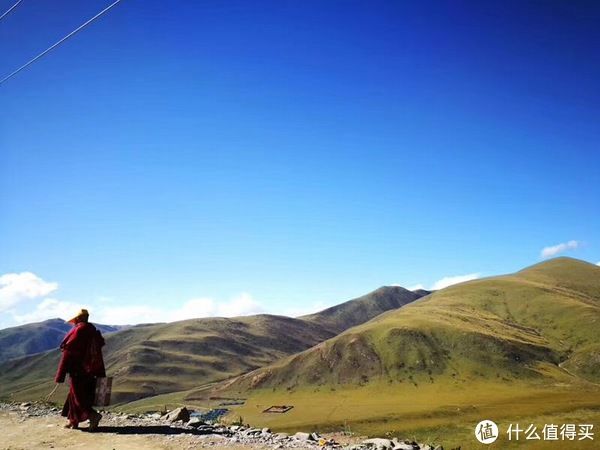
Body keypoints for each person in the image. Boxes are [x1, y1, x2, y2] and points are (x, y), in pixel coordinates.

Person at [54, 308, 106, 431]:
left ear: (78, 319)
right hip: (92, 370)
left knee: (78, 396)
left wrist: (60, 374)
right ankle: (73, 421)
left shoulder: (79, 330)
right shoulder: (92, 330)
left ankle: (93, 416)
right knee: (77, 394)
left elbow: (68, 351)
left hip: (79, 370)